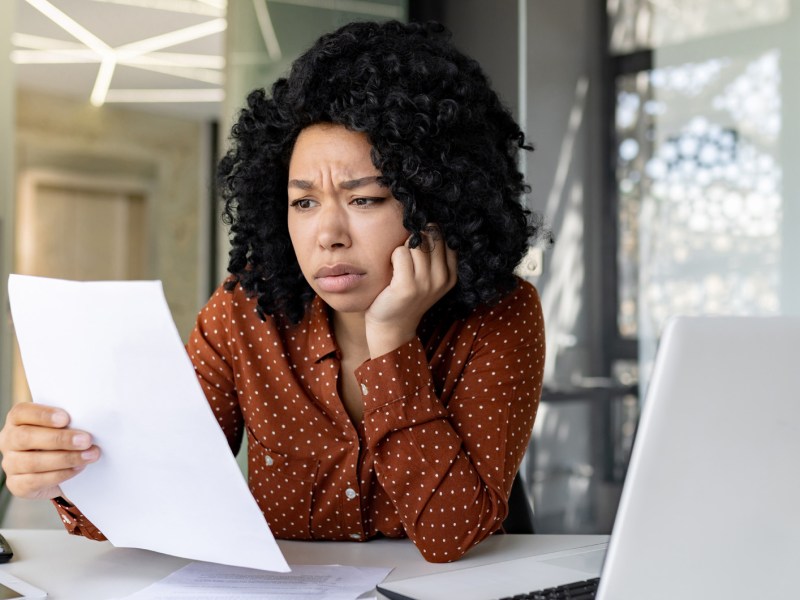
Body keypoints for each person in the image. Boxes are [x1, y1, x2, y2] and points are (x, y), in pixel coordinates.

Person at [0, 20, 547, 563]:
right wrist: (61, 474)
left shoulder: (501, 316)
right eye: (304, 202)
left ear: (435, 203)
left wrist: (392, 339)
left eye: (365, 199)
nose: (328, 235)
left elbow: (452, 538)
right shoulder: (245, 313)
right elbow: (156, 495)